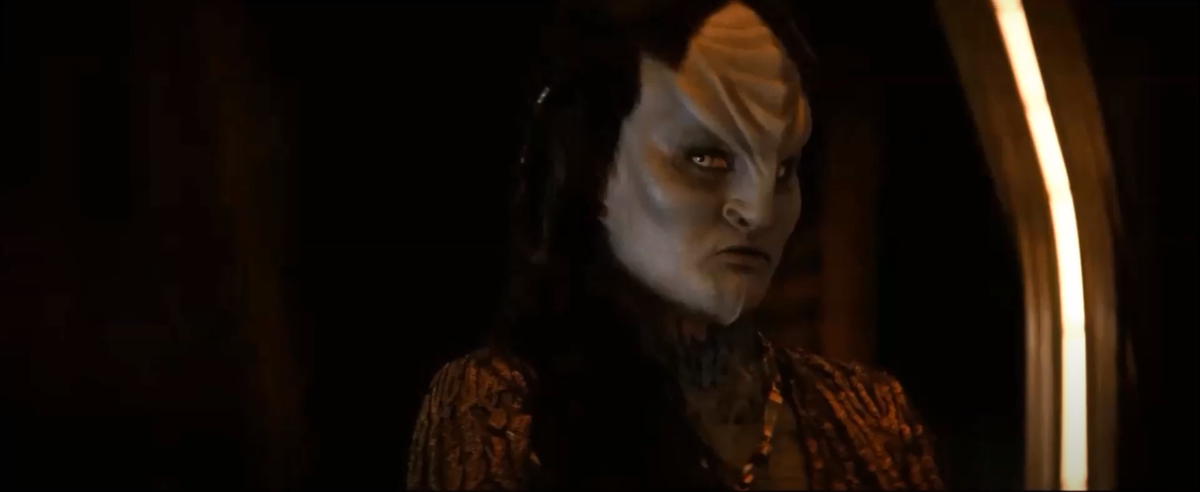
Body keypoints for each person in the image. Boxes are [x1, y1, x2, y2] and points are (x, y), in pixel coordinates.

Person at [407, 0, 942, 489]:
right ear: (594, 170)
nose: (758, 209)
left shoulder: (872, 417)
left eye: (784, 167)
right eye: (705, 158)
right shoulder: (504, 408)